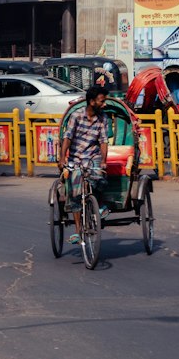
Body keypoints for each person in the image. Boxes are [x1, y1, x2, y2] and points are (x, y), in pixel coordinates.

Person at [59, 86, 109, 244]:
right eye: (101, 101)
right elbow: (67, 137)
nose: (104, 104)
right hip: (76, 158)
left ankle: (99, 205)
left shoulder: (103, 118)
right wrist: (62, 157)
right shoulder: (76, 116)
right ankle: (78, 231)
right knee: (75, 194)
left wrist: (103, 160)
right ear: (92, 101)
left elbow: (103, 141)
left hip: (93, 155)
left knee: (99, 177)